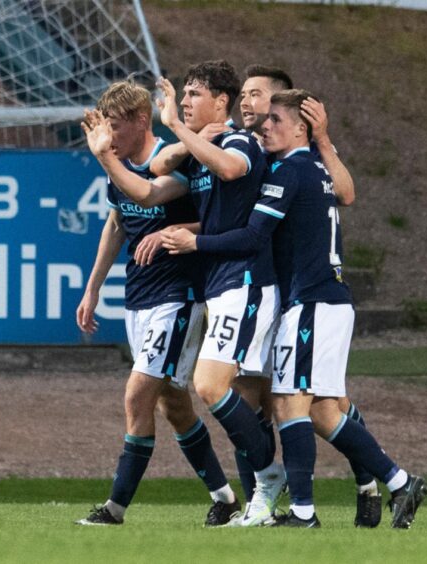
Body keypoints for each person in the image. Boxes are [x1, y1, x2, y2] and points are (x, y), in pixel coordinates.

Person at [162, 89, 427, 529]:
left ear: (301, 127)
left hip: (311, 300)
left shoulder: (289, 171)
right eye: (262, 119)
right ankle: (399, 482)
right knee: (323, 410)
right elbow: (343, 194)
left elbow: (251, 237)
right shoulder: (316, 166)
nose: (264, 126)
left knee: (289, 404)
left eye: (274, 121)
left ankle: (304, 511)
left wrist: (196, 242)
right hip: (326, 299)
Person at [82, 60, 286, 528]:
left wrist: (186, 229)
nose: (186, 102)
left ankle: (115, 508)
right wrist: (93, 288)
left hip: (192, 291)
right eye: (184, 95)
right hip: (161, 293)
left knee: (147, 395)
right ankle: (235, 497)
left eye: (195, 94)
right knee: (180, 403)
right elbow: (136, 200)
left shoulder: (230, 145)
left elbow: (225, 198)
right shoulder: (186, 155)